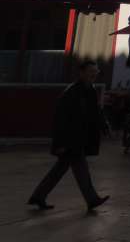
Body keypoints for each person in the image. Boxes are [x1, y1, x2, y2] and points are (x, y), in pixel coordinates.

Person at [28, 60, 110, 211]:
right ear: (82, 72)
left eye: (95, 71)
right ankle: (91, 199)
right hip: (71, 140)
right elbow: (61, 120)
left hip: (78, 139)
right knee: (81, 169)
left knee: (59, 170)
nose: (94, 74)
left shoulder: (90, 90)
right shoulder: (72, 92)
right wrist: (60, 143)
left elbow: (95, 111)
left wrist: (104, 125)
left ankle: (38, 196)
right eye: (91, 71)